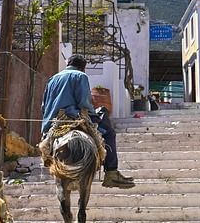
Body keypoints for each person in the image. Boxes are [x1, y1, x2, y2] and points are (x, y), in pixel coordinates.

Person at [41, 54, 134, 189]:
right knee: (109, 133)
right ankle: (111, 173)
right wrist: (92, 112)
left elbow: (44, 106)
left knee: (45, 141)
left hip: (52, 121)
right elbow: (84, 102)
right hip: (73, 117)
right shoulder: (80, 76)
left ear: (68, 64)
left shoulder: (52, 79)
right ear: (82, 68)